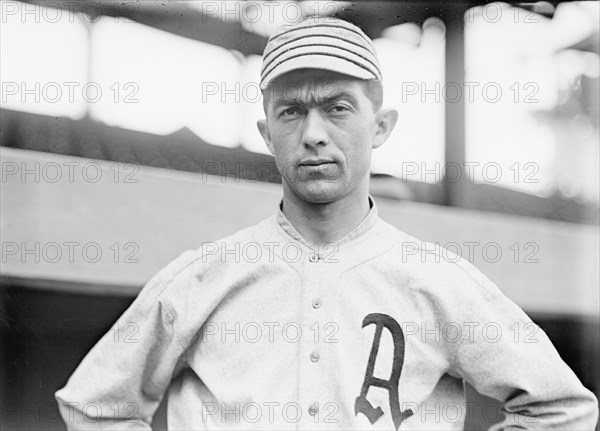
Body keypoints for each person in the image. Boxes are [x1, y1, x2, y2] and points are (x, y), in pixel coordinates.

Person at [55, 16, 598, 430]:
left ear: (380, 125)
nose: (314, 133)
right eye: (291, 111)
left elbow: (562, 408)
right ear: (268, 135)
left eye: (338, 107)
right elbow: (95, 403)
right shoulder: (204, 275)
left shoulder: (437, 280)